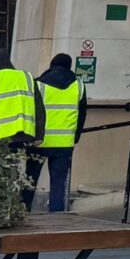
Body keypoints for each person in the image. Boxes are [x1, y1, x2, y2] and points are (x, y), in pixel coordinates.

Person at [30, 53, 82, 215]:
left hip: (40, 141)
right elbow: (82, 114)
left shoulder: (39, 83)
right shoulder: (78, 85)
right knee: (58, 183)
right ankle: (56, 215)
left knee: (30, 179)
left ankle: (23, 209)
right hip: (64, 143)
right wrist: (76, 137)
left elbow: (32, 112)